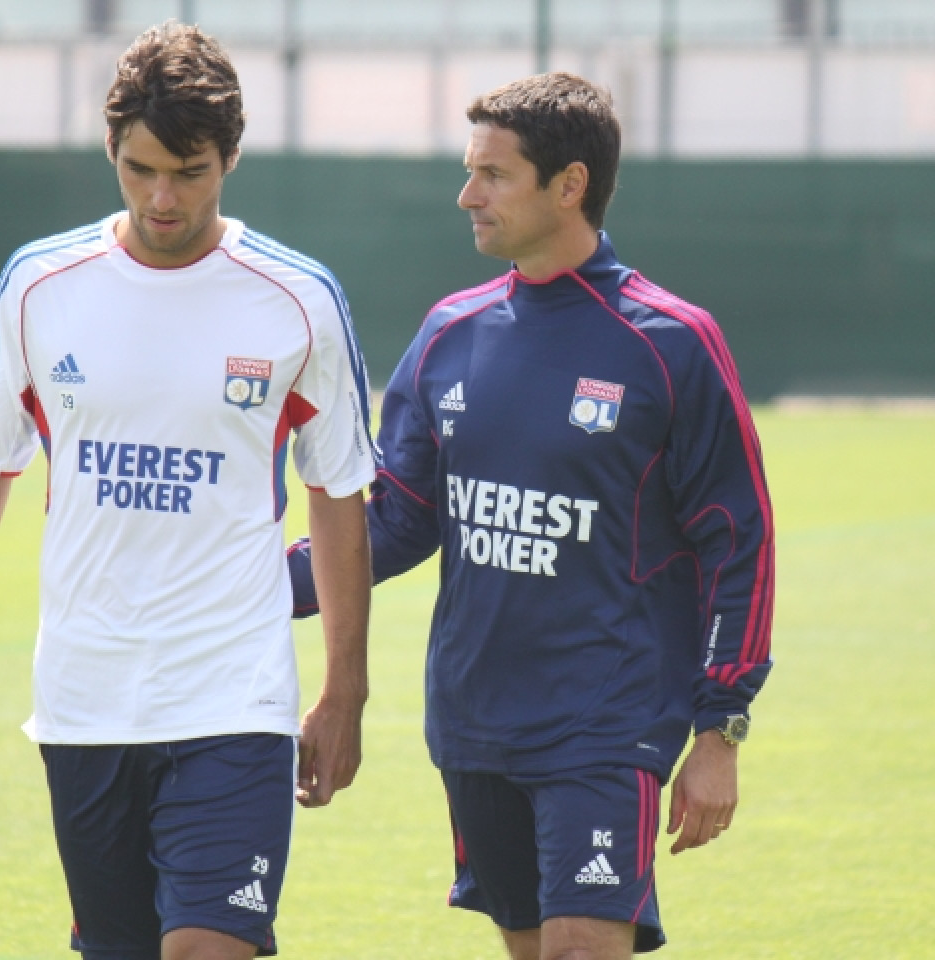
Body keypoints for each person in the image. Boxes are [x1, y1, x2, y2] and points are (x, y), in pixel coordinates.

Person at [0, 22, 374, 960]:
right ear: (111, 148)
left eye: (190, 171)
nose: (162, 196)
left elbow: (338, 497)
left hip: (234, 695)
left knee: (204, 949)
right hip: (84, 700)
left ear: (231, 157)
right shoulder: (39, 285)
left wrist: (346, 690)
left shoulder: (299, 301)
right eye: (140, 168)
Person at [288, 72, 774, 959]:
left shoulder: (670, 342)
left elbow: (738, 541)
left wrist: (721, 728)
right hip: (473, 720)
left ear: (570, 184)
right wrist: (235, 584)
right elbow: (395, 522)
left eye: (493, 175)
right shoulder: (448, 333)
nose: (466, 195)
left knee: (581, 949)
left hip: (607, 718)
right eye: (470, 171)